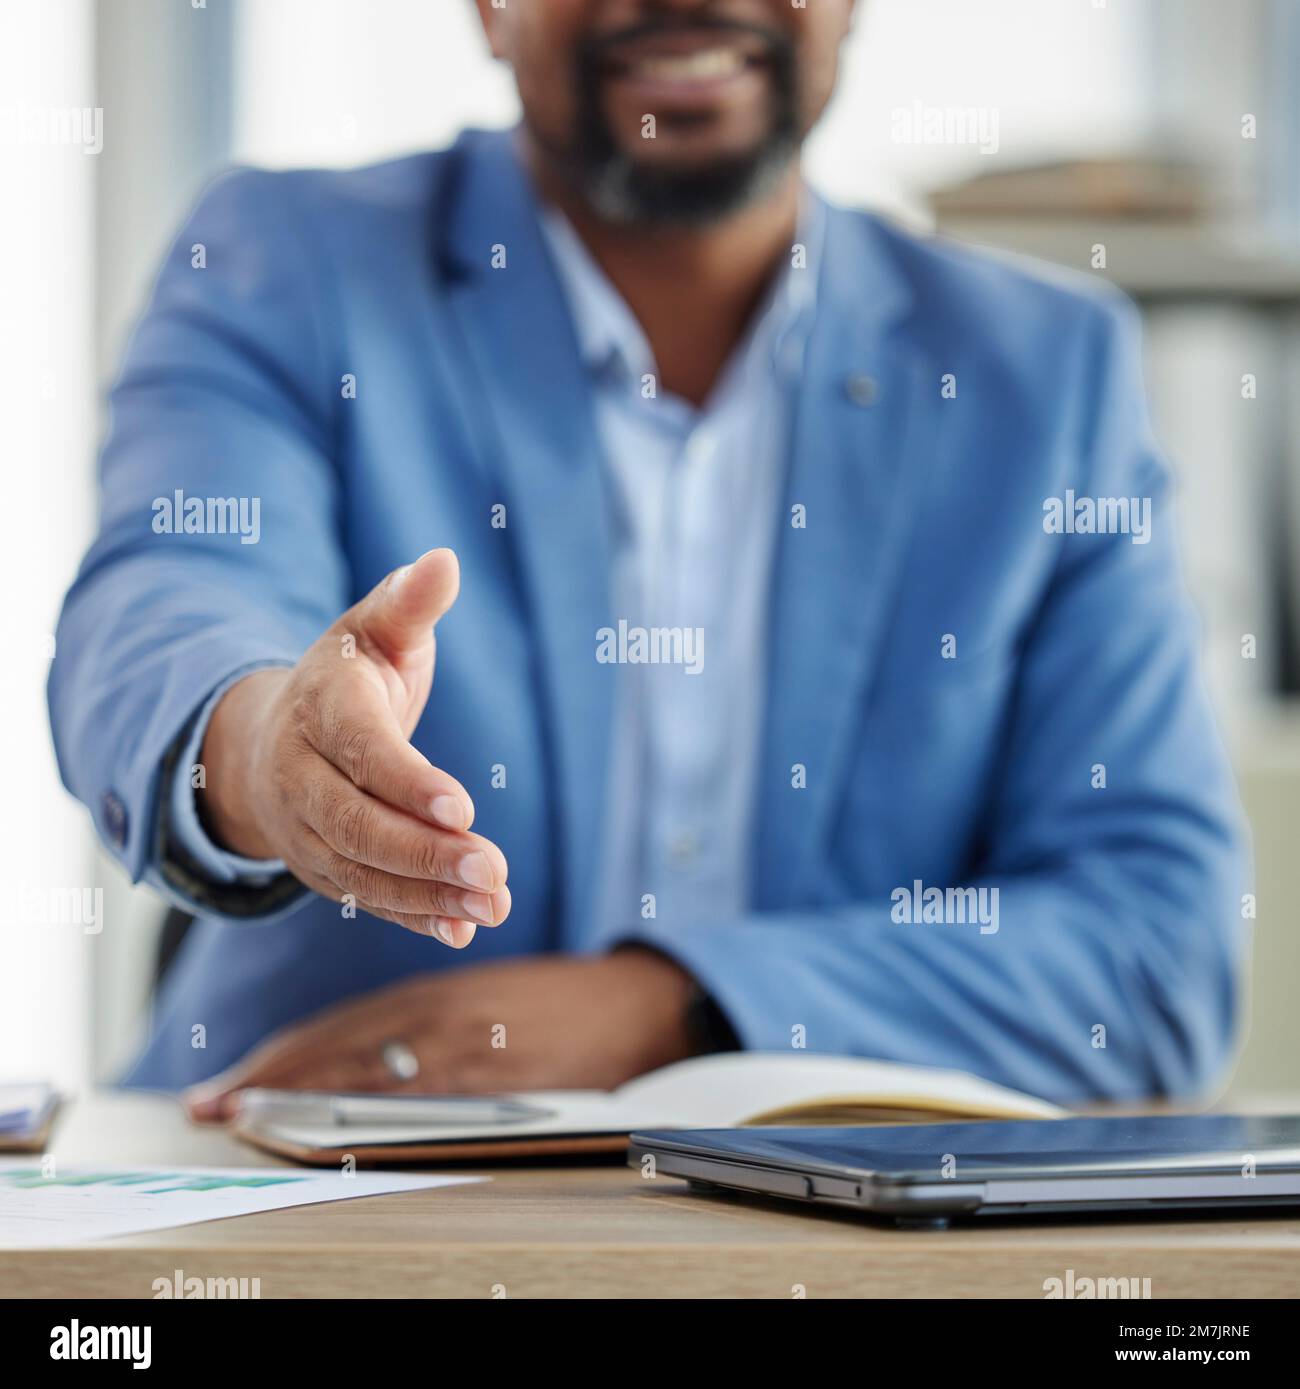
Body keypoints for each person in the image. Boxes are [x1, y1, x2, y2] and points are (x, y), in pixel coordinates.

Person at [49, 0, 1244, 1117]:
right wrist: (271, 749)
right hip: (322, 1207)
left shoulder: (1042, 373)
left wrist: (666, 1010)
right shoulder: (286, 264)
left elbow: (1155, 945)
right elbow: (170, 593)